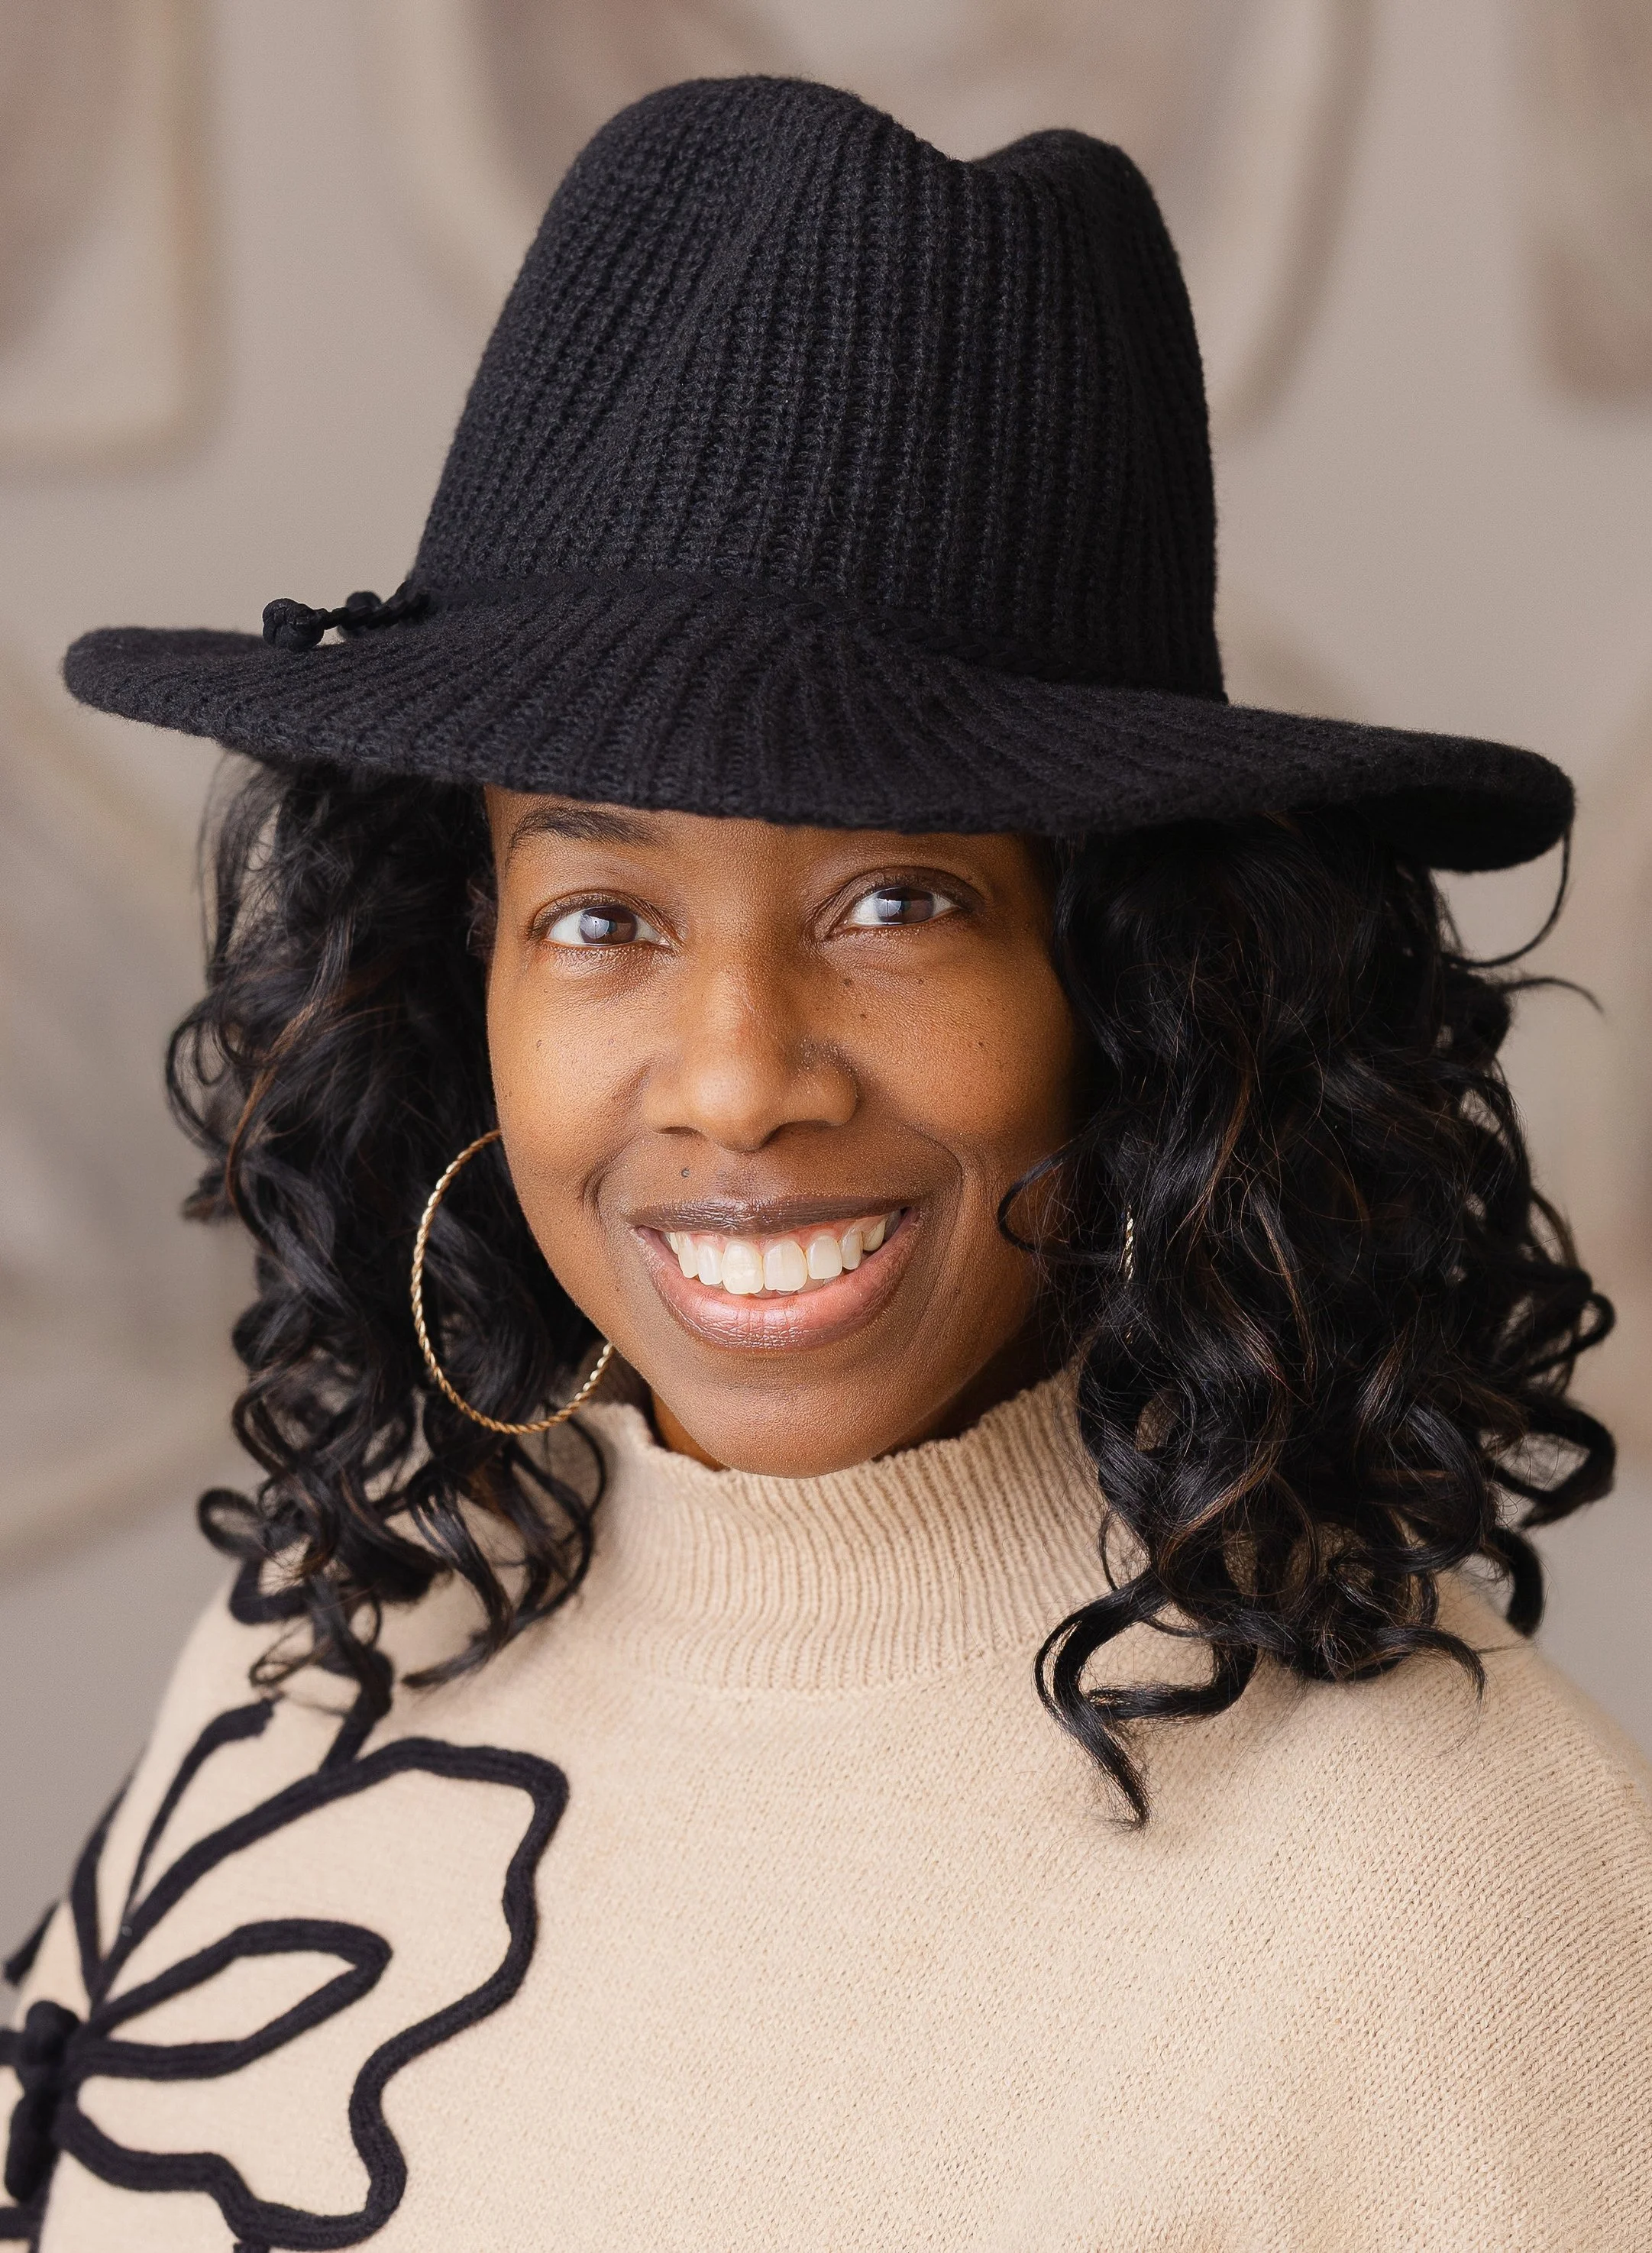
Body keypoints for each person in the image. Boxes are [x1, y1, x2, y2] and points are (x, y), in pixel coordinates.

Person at [4, 74, 1648, 2252]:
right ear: (460, 965)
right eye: (600, 915)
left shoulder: (1446, 1901)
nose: (735, 1077)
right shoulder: (346, 1624)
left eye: (895, 903)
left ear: (1137, 980)